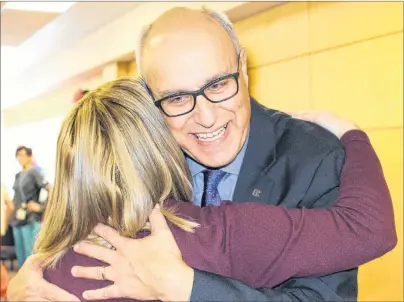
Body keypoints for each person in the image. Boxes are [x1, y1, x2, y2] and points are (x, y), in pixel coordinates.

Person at [7, 78, 396, 301]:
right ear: (159, 145)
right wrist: (351, 133)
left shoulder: (42, 274)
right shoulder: (214, 233)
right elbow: (369, 228)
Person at [10, 146, 51, 268]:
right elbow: (16, 197)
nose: (20, 158)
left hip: (30, 219)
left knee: (31, 257)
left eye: (22, 155)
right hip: (17, 219)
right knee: (20, 256)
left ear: (29, 156)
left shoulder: (34, 172)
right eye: (18, 155)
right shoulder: (18, 175)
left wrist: (41, 207)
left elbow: (51, 189)